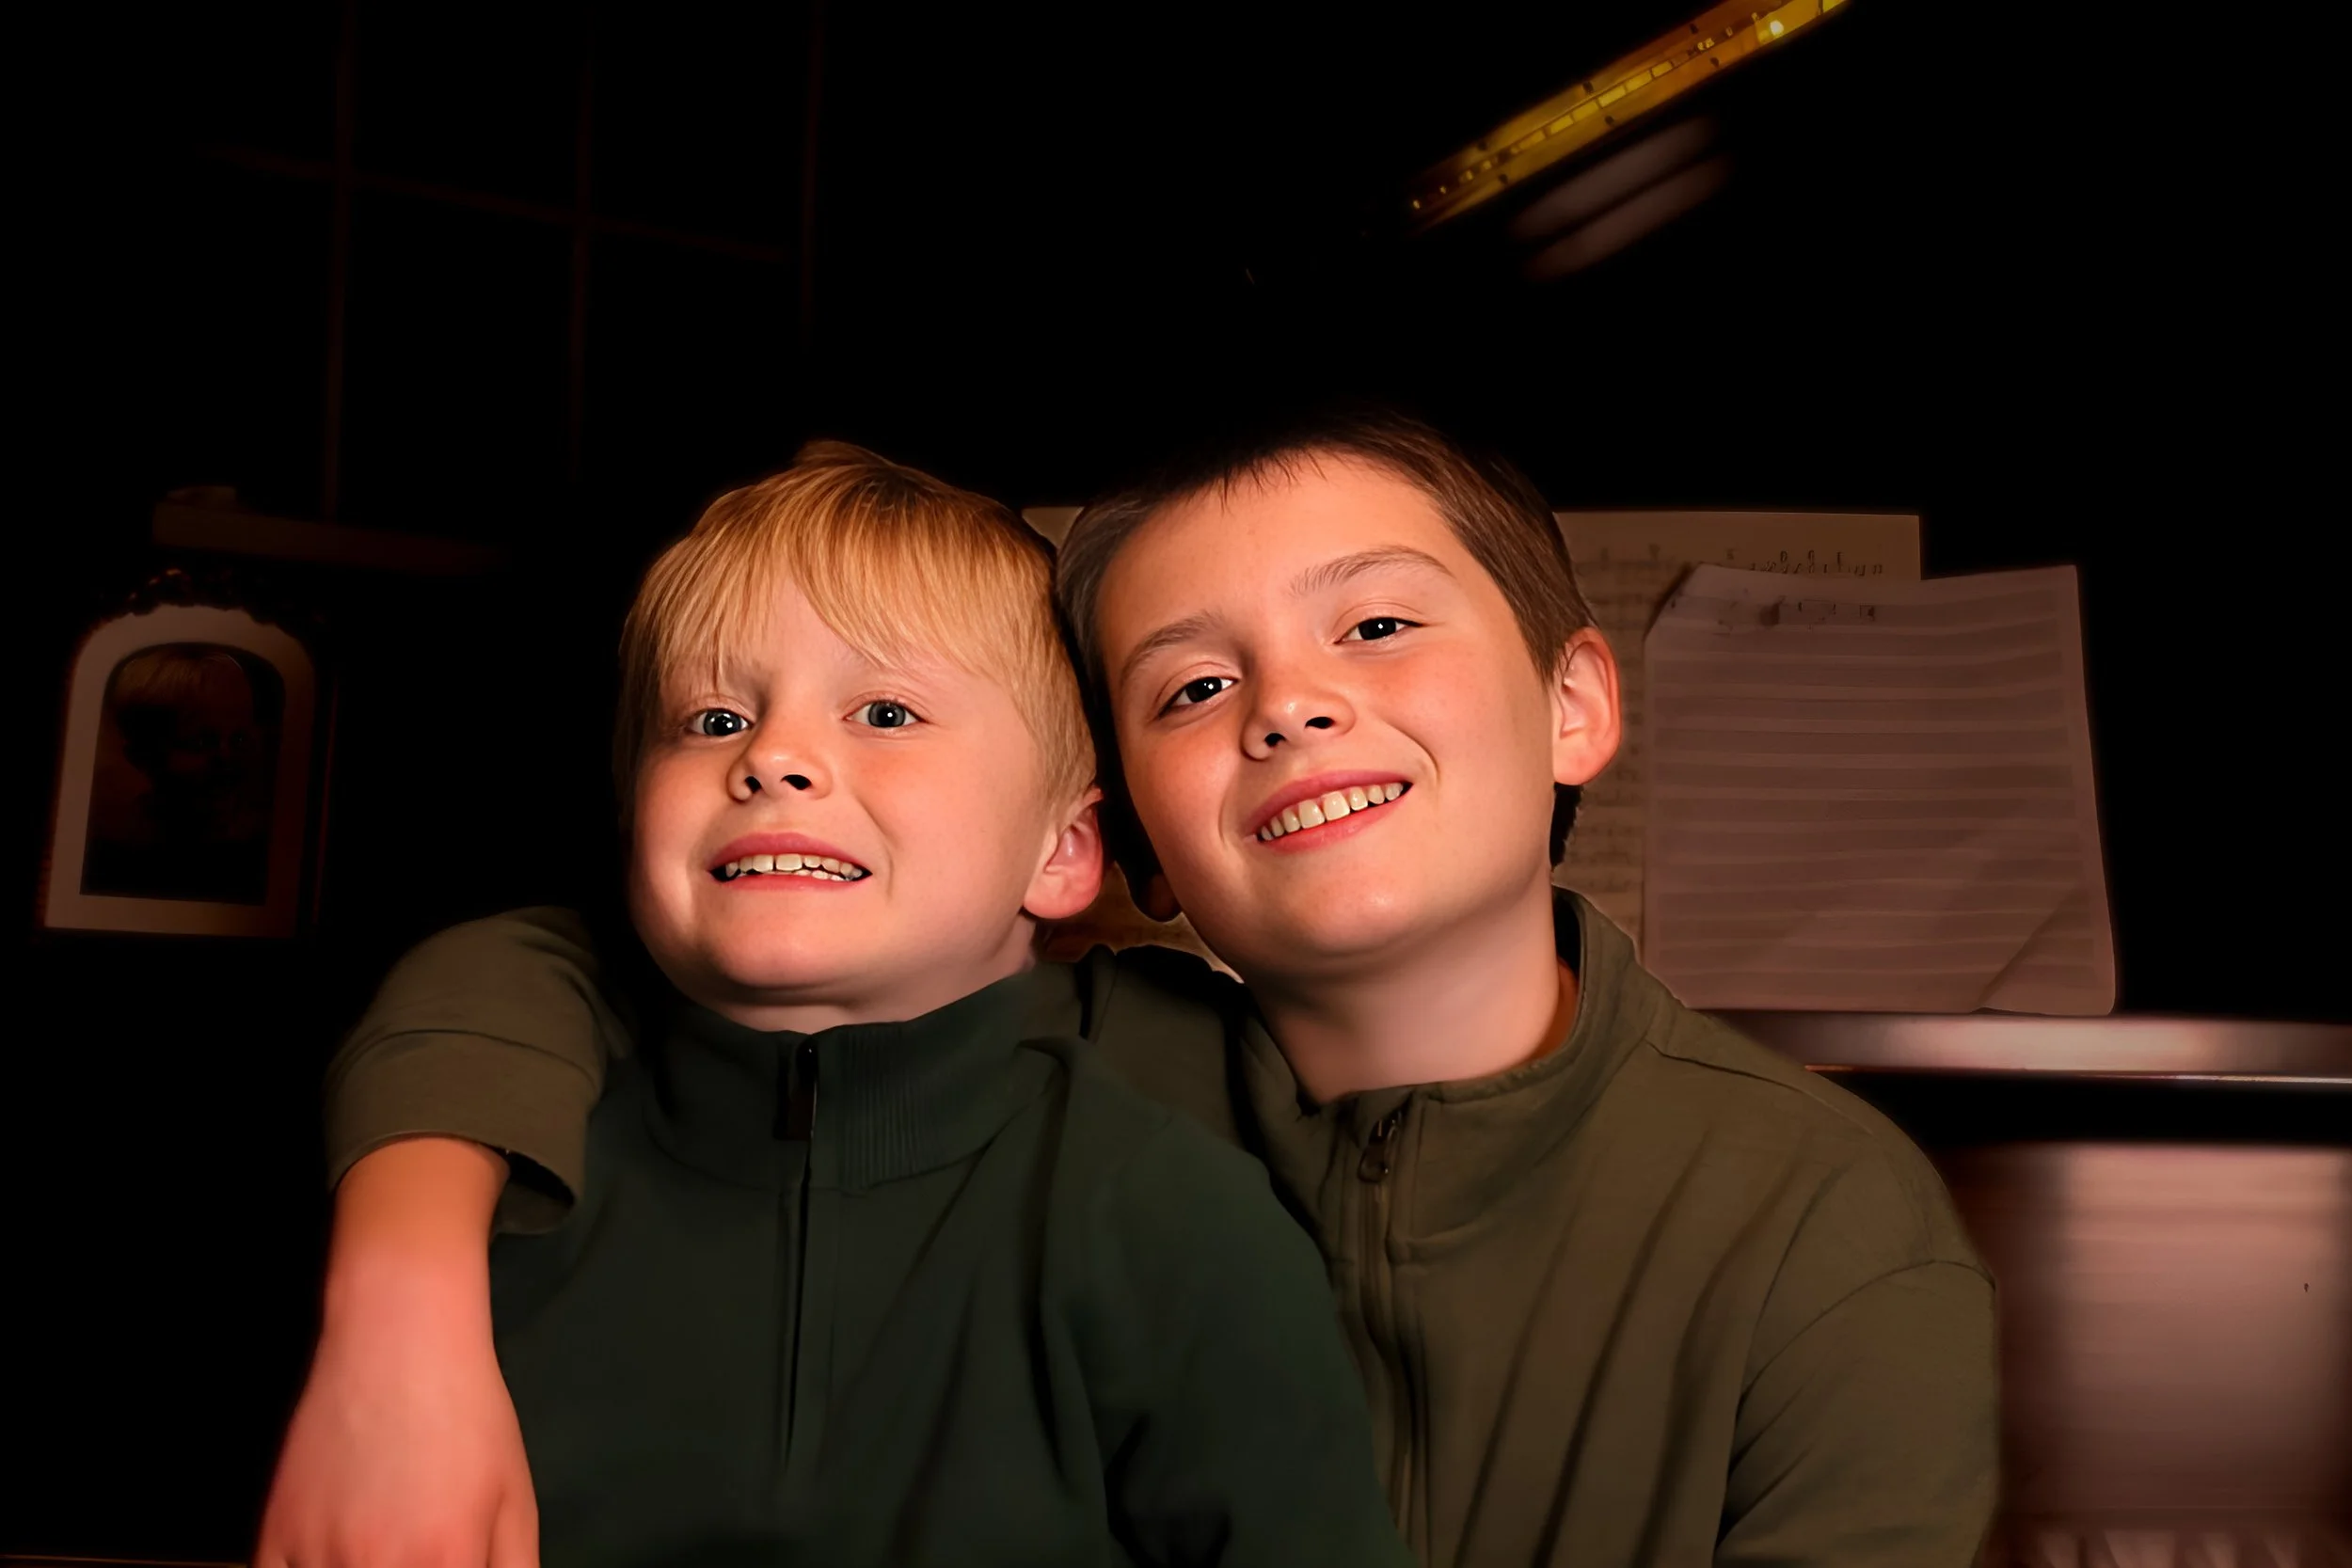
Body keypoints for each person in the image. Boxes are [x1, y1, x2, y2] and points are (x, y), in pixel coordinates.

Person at [264, 407, 1998, 1566]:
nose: (1288, 706)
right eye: (1186, 686)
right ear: (1122, 847)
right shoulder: (1042, 1065)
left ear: (1574, 705)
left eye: (1377, 627)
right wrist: (401, 1311)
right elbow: (556, 962)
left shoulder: (1823, 1222)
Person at [257, 441, 1408, 1567]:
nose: (773, 758)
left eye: (886, 712)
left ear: (1061, 851)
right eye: (712, 719)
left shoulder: (1172, 1212)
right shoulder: (490, 1189)